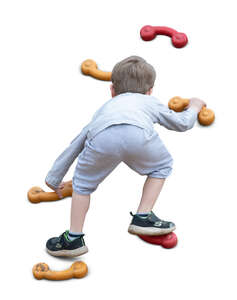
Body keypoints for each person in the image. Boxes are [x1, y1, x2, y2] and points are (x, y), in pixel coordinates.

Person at [45, 56, 205, 257]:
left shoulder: (104, 109)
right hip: (138, 135)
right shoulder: (150, 102)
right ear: (150, 91)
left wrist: (54, 179)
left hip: (102, 137)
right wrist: (195, 107)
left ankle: (74, 239)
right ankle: (142, 216)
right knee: (161, 166)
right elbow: (182, 124)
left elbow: (76, 143)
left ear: (112, 90)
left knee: (82, 186)